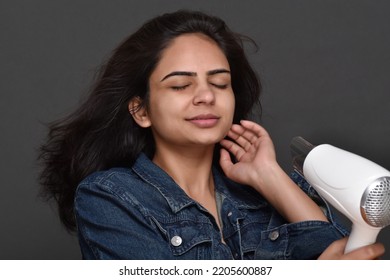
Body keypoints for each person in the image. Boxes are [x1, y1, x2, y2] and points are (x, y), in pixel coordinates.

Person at [38, 10, 385, 260]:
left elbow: (347, 260)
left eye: (220, 83)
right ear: (141, 111)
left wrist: (269, 177)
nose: (206, 96)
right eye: (180, 85)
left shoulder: (268, 195)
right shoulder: (110, 198)